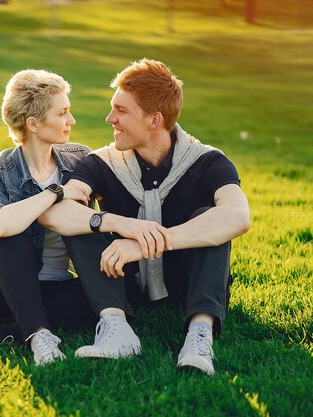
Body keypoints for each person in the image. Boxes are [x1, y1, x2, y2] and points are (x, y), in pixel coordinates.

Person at [39, 59, 251, 375]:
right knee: (83, 218)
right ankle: (116, 327)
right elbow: (57, 210)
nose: (110, 119)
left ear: (154, 119)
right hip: (122, 283)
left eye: (122, 111)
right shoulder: (101, 163)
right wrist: (116, 223)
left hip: (188, 285)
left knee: (212, 218)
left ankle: (199, 334)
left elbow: (237, 216)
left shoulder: (208, 162)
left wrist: (149, 244)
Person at [0, 69, 96, 366]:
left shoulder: (80, 158)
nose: (71, 121)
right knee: (13, 231)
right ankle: (39, 336)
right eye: (63, 113)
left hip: (54, 287)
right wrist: (57, 192)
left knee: (111, 293)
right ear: (33, 123)